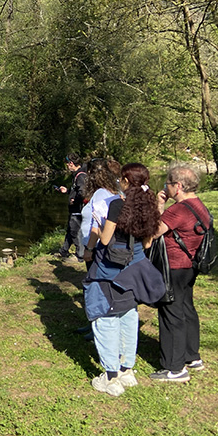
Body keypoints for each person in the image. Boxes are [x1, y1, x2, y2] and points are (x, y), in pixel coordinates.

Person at [83, 163, 165, 396]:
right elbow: (148, 242)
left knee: (105, 317)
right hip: (135, 269)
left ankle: (110, 378)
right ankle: (126, 370)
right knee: (129, 315)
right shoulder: (149, 205)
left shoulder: (118, 204)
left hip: (110, 270)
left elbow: (106, 239)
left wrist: (97, 229)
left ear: (126, 181)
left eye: (121, 179)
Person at [150, 165, 211, 382]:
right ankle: (192, 356)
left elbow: (155, 231)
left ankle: (175, 368)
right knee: (187, 308)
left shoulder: (178, 210)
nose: (165, 187)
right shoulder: (199, 205)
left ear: (178, 186)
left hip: (174, 266)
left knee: (171, 313)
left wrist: (159, 205)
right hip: (190, 265)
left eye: (167, 184)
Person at [81, 159, 122, 269]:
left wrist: (89, 249)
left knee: (94, 282)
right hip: (102, 244)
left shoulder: (100, 194)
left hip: (96, 246)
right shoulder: (112, 191)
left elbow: (96, 224)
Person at [58, 153, 88, 261]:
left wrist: (75, 201)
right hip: (75, 209)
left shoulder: (80, 176)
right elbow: (76, 191)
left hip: (77, 210)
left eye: (67, 164)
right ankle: (63, 251)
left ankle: (80, 255)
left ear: (71, 163)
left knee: (75, 232)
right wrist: (68, 191)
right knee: (71, 229)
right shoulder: (77, 175)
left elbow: (82, 192)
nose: (67, 166)